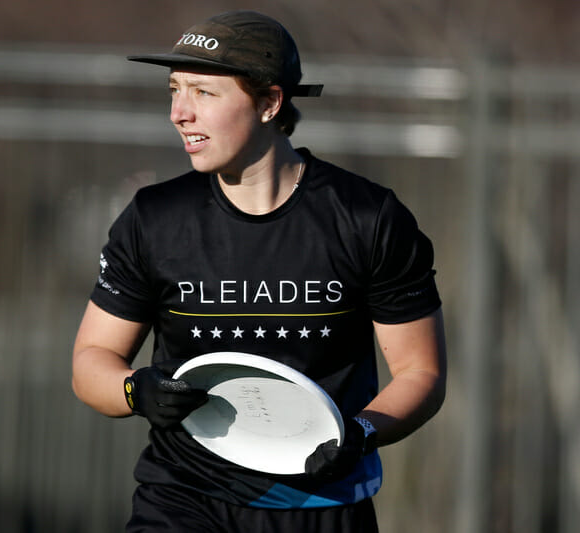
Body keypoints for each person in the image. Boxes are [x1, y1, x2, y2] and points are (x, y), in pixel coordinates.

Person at [72, 10, 446, 533]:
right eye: (175, 90)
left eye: (204, 93)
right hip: (182, 501)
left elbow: (421, 373)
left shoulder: (367, 218)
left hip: (323, 505)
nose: (180, 112)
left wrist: (360, 432)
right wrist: (137, 390)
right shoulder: (154, 218)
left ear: (270, 103)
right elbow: (92, 361)